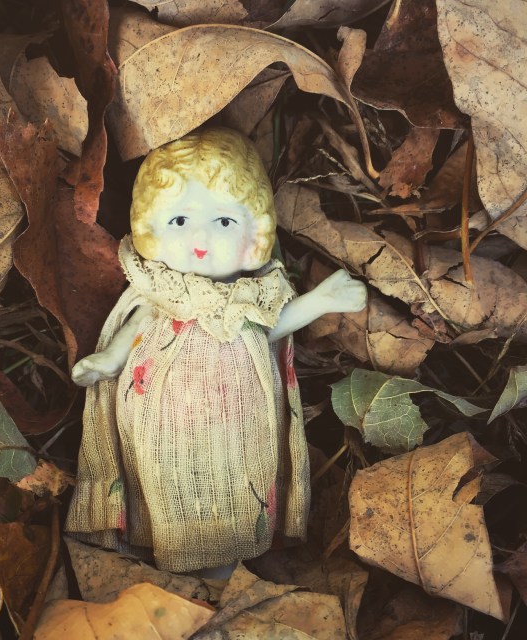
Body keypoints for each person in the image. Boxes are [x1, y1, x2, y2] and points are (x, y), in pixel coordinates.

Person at [65, 127, 367, 576]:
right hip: (160, 419)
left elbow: (270, 328)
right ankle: (168, 548)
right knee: (165, 476)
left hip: (239, 421)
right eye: (179, 221)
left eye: (224, 222)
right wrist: (109, 360)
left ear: (254, 234)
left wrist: (321, 301)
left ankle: (227, 559)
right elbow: (137, 328)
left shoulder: (253, 295)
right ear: (150, 230)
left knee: (237, 478)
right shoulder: (161, 291)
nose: (199, 238)